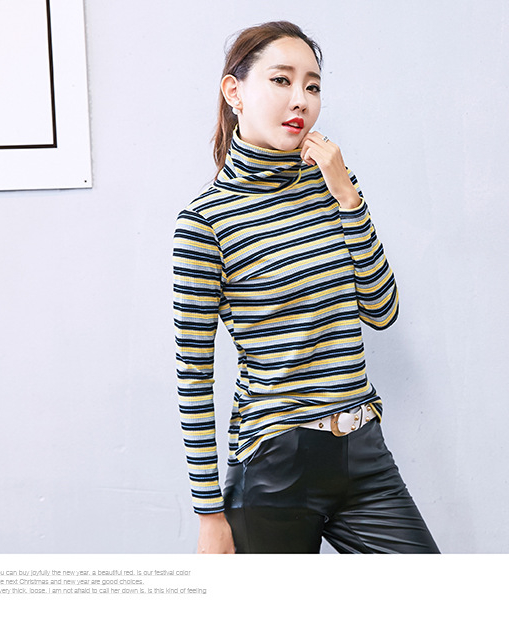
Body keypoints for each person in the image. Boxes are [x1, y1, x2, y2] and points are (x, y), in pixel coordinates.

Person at [173, 21, 439, 554]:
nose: (301, 99)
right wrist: (209, 515)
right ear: (234, 92)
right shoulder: (205, 221)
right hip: (275, 468)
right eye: (281, 80)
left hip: (363, 453)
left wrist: (348, 199)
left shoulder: (334, 186)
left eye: (312, 86)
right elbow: (194, 375)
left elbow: (382, 311)